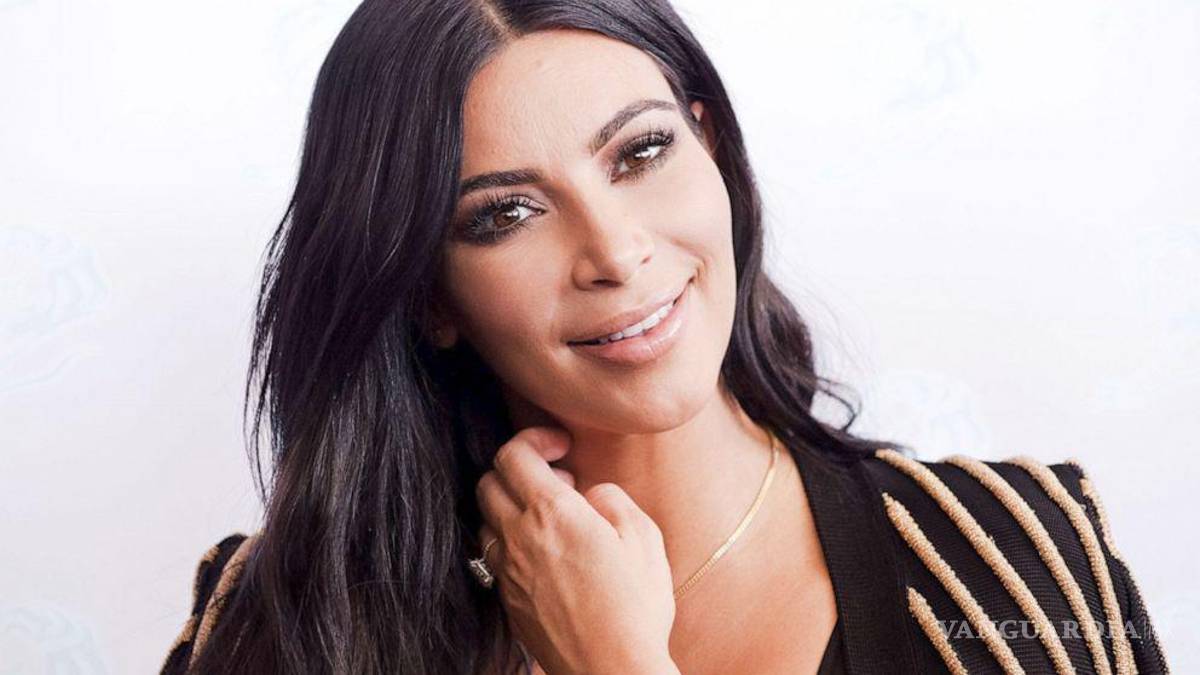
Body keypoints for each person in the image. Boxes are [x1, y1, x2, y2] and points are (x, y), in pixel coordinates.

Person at [159, 1, 1171, 673]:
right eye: (506, 214)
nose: (615, 251)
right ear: (431, 295)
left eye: (640, 153)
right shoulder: (285, 623)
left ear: (710, 145)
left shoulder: (1015, 557)